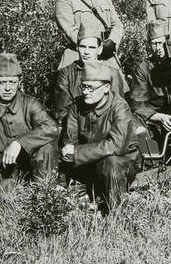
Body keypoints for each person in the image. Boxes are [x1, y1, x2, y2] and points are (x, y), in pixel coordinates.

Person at [0, 53, 59, 202]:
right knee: (8, 199)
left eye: (12, 82)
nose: (8, 88)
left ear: (20, 82)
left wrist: (19, 142)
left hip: (34, 167)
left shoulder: (30, 103)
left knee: (47, 146)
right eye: (2, 82)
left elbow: (51, 127)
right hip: (4, 171)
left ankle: (45, 196)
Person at [60, 61, 142, 213]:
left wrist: (77, 152)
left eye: (91, 88)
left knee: (111, 163)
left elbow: (116, 146)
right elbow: (70, 141)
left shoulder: (120, 107)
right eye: (83, 86)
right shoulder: (76, 106)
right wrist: (71, 152)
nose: (86, 92)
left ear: (106, 88)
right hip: (89, 162)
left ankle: (115, 214)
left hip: (122, 162)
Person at [129, 20, 171, 142]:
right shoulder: (143, 68)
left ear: (167, 41)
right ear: (148, 45)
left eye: (161, 43)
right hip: (155, 121)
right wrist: (158, 117)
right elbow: (138, 104)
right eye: (154, 44)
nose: (158, 48)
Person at [55, 23, 127, 128]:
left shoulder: (112, 73)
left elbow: (119, 108)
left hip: (106, 126)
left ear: (100, 49)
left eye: (92, 47)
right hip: (76, 125)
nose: (86, 52)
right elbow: (63, 110)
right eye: (82, 46)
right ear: (77, 47)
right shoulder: (67, 73)